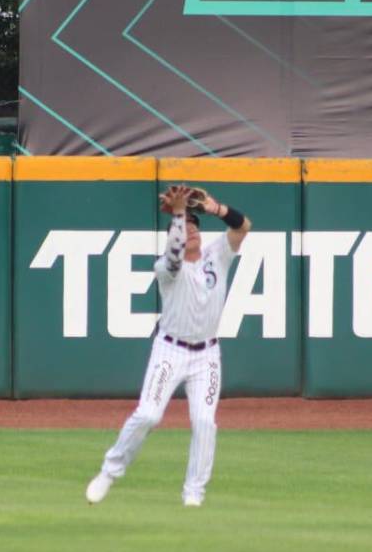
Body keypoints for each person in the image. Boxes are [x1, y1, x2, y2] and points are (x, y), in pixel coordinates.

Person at [86, 184, 251, 507]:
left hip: (207, 355)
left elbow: (243, 226)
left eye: (194, 226)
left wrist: (216, 209)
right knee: (148, 414)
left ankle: (193, 495)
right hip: (170, 350)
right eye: (184, 226)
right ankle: (110, 471)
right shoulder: (165, 266)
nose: (190, 231)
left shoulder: (217, 254)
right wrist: (177, 213)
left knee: (205, 422)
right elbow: (175, 256)